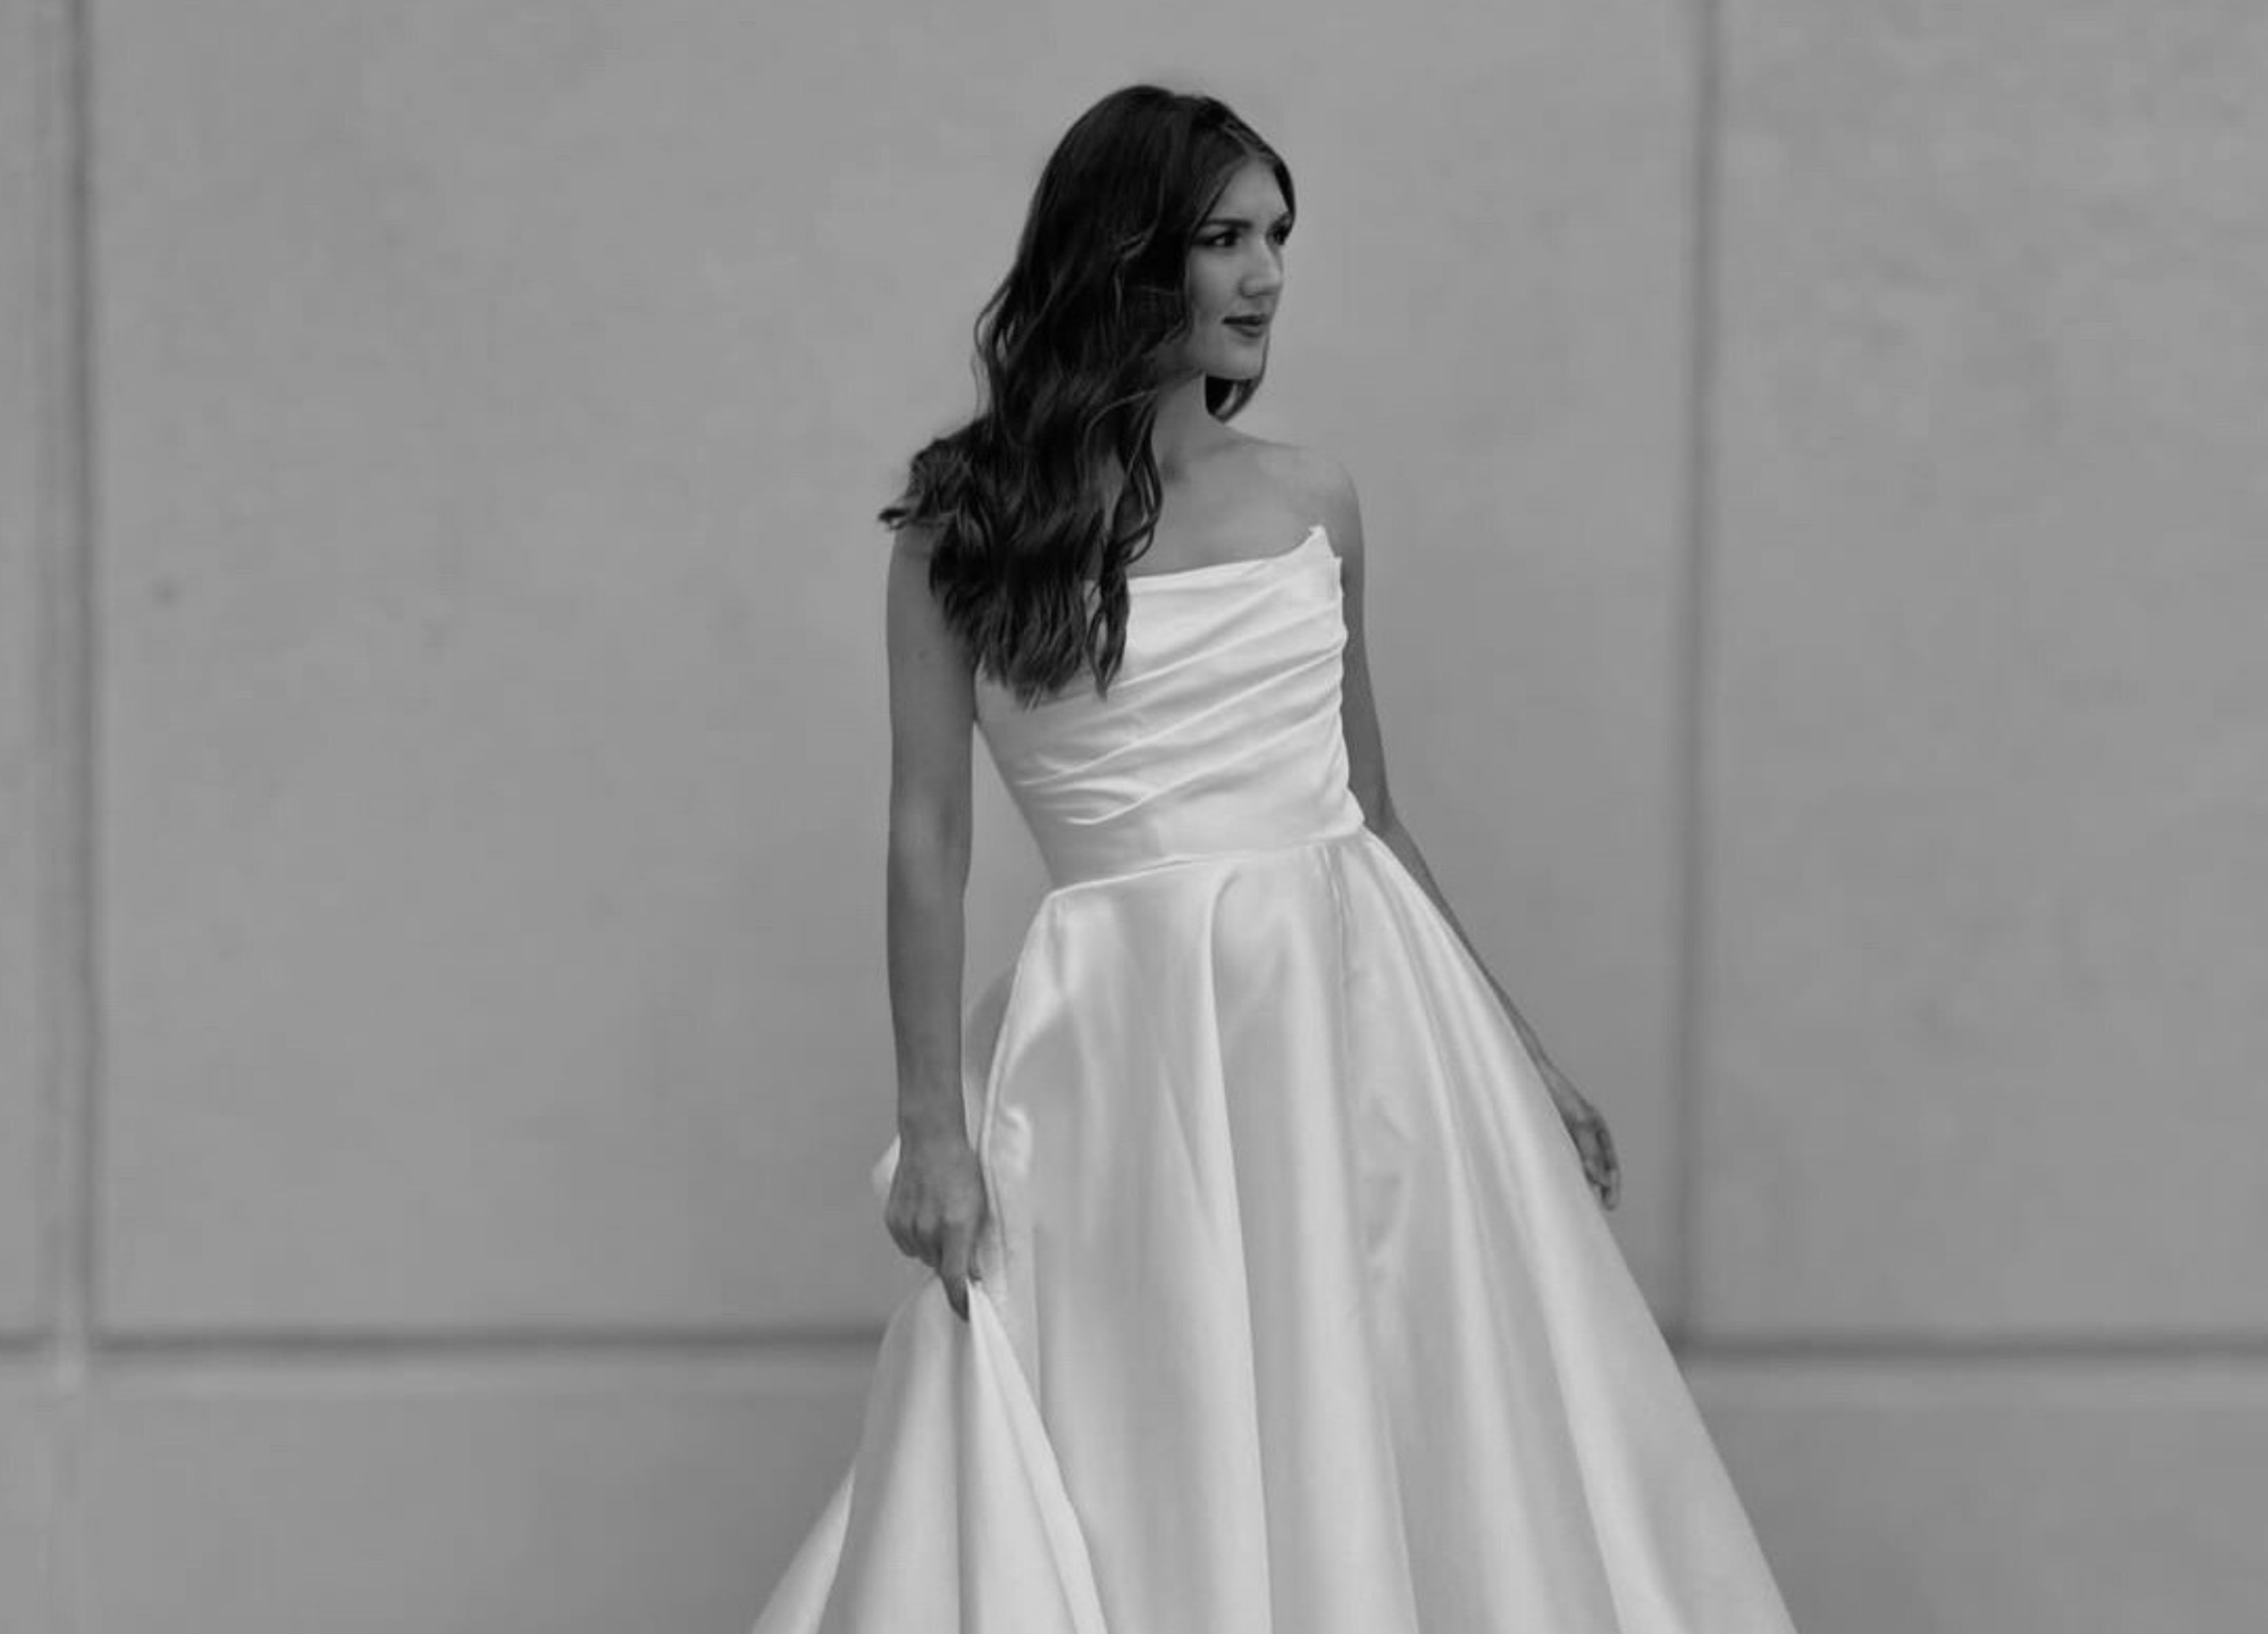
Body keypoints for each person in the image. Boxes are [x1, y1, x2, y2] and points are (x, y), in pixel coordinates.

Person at [752, 82, 1799, 1634]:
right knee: (1149, 1429)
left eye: (1277, 238)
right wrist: (934, 1127)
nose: (1267, 275)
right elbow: (929, 836)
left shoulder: (1316, 499)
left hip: (1362, 1020)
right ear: (1129, 258)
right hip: (1125, 1048)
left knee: (1403, 1405)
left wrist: (1522, 1052)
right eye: (1227, 238)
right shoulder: (964, 530)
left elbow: (1368, 806)